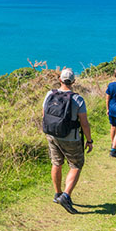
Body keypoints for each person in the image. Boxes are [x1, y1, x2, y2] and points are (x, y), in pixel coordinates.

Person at [42, 68, 93, 214]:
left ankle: (57, 194)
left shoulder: (49, 94)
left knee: (56, 162)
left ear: (60, 79)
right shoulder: (78, 99)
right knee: (76, 164)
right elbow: (84, 123)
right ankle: (66, 195)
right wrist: (89, 140)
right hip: (70, 137)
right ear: (74, 82)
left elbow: (44, 114)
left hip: (52, 134)